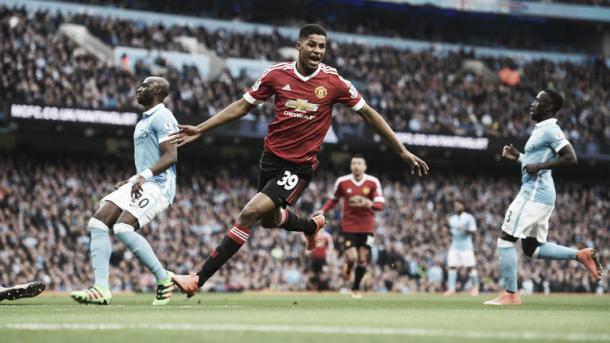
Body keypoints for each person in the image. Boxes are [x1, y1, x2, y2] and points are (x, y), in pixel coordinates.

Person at [169, 24, 428, 297]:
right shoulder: (276, 74)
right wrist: (201, 128)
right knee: (268, 220)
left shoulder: (334, 82)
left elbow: (369, 114)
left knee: (249, 213)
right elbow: (243, 105)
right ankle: (310, 225)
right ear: (299, 45)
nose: (318, 51)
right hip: (270, 159)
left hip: (299, 165)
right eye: (312, 45)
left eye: (322, 46)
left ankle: (198, 278)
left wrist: (401, 150)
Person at [484, 89, 602, 305]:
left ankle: (511, 294)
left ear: (549, 108)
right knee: (531, 248)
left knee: (505, 239)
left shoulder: (551, 130)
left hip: (534, 194)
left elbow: (571, 158)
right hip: (540, 194)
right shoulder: (540, 130)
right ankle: (580, 255)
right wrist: (519, 157)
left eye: (538, 101)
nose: (533, 104)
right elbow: (533, 163)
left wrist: (539, 165)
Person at [70, 77, 179, 305]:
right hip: (141, 182)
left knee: (122, 227)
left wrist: (142, 177)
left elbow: (171, 156)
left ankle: (163, 279)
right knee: (98, 222)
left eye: (145, 85)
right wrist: (133, 179)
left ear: (157, 90)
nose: (139, 89)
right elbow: (147, 160)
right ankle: (100, 288)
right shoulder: (143, 120)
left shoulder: (164, 116)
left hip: (159, 186)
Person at [315, 155, 384, 298]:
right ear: (351, 166)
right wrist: (323, 210)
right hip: (349, 226)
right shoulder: (342, 182)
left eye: (359, 163)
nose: (356, 166)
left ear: (365, 167)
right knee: (352, 257)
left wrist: (368, 203)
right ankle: (349, 266)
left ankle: (356, 288)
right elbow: (334, 199)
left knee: (363, 259)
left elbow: (380, 205)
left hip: (367, 227)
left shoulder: (372, 182)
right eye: (354, 163)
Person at [444, 200, 479, 296]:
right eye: (455, 206)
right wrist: (447, 232)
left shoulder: (469, 218)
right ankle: (451, 289)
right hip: (455, 245)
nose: (456, 207)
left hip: (466, 246)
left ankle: (475, 288)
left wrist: (464, 230)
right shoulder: (452, 219)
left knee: (470, 267)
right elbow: (451, 231)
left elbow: (473, 231)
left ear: (463, 206)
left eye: (458, 205)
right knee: (451, 266)